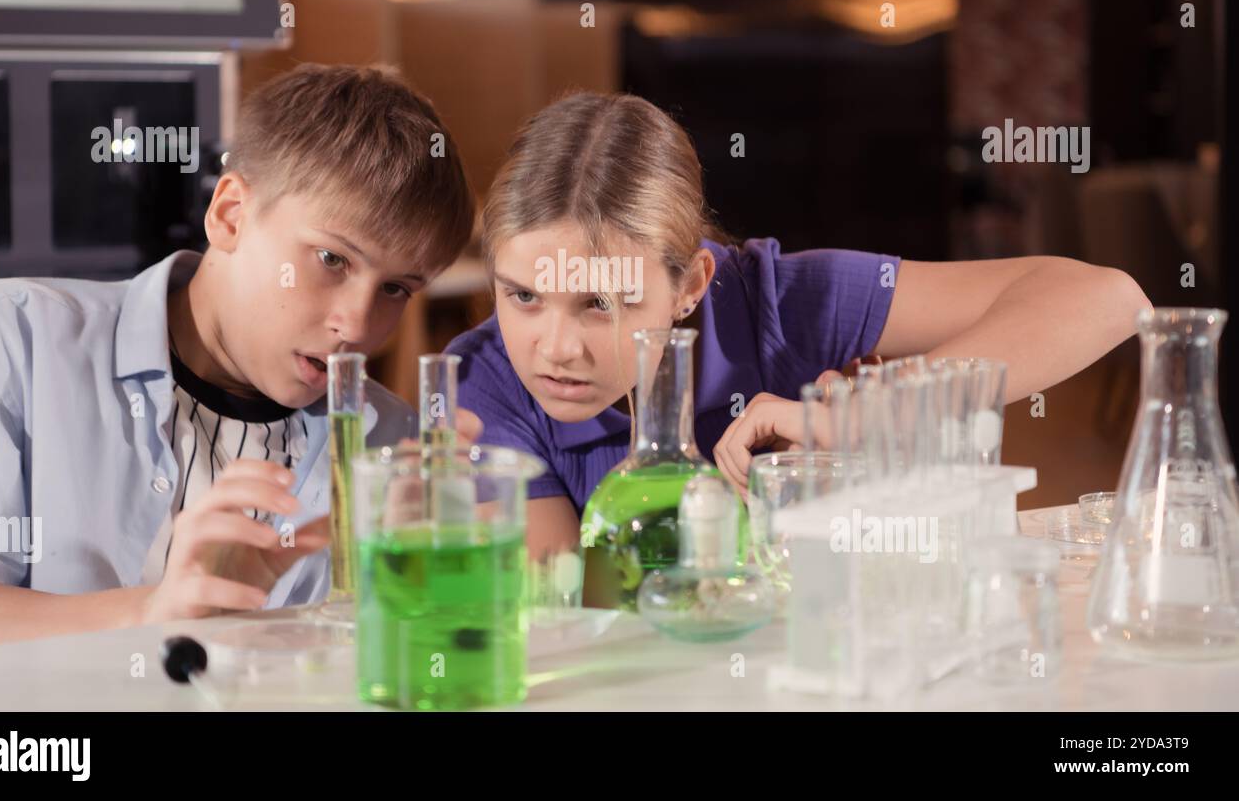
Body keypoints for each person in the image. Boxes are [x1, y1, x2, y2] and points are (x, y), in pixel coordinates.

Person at [446, 91, 1152, 559]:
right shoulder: (481, 382)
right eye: (524, 297)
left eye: (602, 303)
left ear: (691, 284)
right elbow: (568, 613)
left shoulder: (772, 301)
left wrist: (864, 417)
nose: (556, 349)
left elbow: (1107, 297)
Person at [0, 64, 478, 649]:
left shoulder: (390, 448)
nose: (356, 324)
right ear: (230, 214)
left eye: (396, 288)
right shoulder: (5, 344)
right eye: (331, 260)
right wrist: (154, 613)